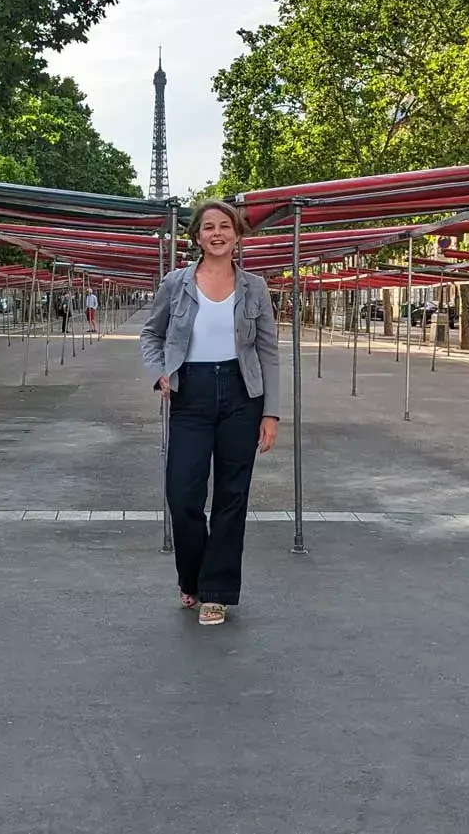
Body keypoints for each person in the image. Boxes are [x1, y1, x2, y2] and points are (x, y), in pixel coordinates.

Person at [140, 201, 282, 627]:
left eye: (225, 226)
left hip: (242, 393)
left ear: (238, 235)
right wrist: (160, 372)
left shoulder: (255, 287)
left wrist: (271, 412)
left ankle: (216, 592)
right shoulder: (175, 283)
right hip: (191, 394)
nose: (217, 233)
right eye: (208, 227)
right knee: (182, 493)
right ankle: (192, 577)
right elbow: (152, 334)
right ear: (197, 237)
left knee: (231, 496)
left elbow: (268, 351)